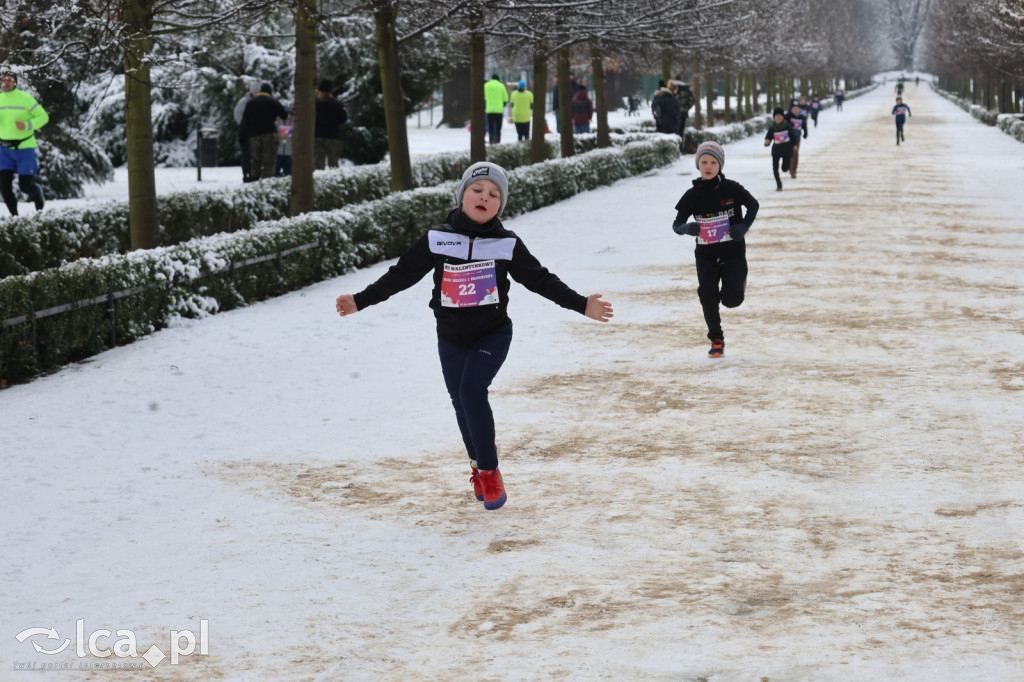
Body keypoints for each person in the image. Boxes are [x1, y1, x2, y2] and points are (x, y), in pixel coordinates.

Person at [335, 162, 614, 510]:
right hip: (450, 337)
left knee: (471, 392)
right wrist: (360, 301)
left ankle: (490, 471)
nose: (485, 197)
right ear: (462, 195)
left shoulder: (506, 243)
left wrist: (580, 304)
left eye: (494, 194)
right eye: (477, 190)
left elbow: (541, 279)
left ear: (501, 204)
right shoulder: (438, 238)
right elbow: (401, 274)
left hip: (492, 334)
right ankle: (478, 464)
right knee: (460, 402)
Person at [671, 141, 759, 358]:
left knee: (732, 300)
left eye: (713, 162)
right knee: (707, 295)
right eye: (703, 162)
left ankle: (738, 283)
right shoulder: (691, 195)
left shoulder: (732, 188)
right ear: (698, 165)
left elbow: (753, 205)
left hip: (733, 252)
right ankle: (716, 338)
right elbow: (676, 225)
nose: (708, 166)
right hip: (706, 255)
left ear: (720, 165)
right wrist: (685, 228)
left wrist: (743, 226)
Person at [0, 71, 48, 215]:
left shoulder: (25, 99)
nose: (6, 82)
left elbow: (43, 117)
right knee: (4, 187)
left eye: (10, 80)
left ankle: (37, 196)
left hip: (24, 148)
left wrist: (28, 125)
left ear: (15, 82)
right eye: (3, 80)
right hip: (4, 150)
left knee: (25, 186)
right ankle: (15, 218)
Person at [239, 82, 288, 181]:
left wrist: (242, 137)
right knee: (268, 161)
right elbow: (284, 115)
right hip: (269, 134)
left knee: (255, 160)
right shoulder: (273, 102)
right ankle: (267, 182)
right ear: (269, 92)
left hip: (254, 136)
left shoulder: (250, 103)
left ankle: (254, 180)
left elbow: (244, 122)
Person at [314, 79, 347, 169]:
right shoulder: (337, 104)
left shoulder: (314, 104)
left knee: (317, 163)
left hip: (317, 136)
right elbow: (343, 119)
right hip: (333, 136)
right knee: (333, 163)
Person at [763, 107, 797, 191]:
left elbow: (793, 136)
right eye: (776, 115)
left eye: (780, 115)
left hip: (787, 151)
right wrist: (767, 142)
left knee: (784, 169)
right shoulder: (772, 127)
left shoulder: (787, 126)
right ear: (774, 117)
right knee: (775, 169)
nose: (778, 117)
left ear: (783, 117)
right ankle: (779, 184)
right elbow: (768, 137)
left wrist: (794, 145)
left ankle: (787, 167)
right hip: (776, 151)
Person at [233, 88, 255, 182]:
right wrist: (244, 124)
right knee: (247, 154)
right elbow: (237, 115)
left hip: (253, 131)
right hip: (247, 131)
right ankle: (247, 174)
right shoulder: (244, 102)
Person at [783, 101, 808, 178]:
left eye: (797, 108)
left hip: (797, 138)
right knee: (789, 154)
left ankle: (793, 170)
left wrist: (805, 133)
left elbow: (804, 126)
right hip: (788, 139)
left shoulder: (801, 117)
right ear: (791, 109)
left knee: (795, 154)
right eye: (794, 108)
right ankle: (788, 166)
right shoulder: (787, 117)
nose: (795, 110)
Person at [484, 74, 509, 144]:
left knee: (490, 126)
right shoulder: (501, 86)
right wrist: (502, 105)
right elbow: (506, 98)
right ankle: (497, 139)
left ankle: (491, 139)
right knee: (498, 127)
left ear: (491, 79)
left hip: (489, 110)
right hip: (499, 110)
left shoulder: (486, 85)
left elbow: (483, 96)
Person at [273, 112, 293, 177]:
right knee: (276, 169)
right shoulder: (276, 122)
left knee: (288, 171)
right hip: (278, 151)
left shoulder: (293, 122)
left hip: (289, 151)